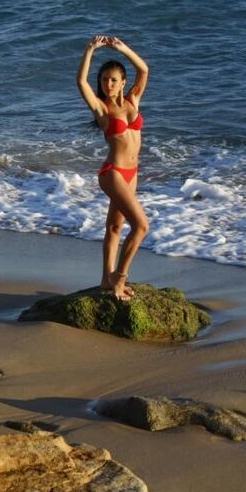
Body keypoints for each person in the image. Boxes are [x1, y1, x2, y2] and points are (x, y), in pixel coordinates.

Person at [76, 35, 150, 301]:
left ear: (122, 82)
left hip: (132, 173)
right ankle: (119, 279)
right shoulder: (102, 109)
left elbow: (144, 69)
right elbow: (81, 82)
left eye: (113, 80)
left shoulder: (133, 100)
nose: (108, 84)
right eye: (104, 80)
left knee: (115, 228)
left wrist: (122, 48)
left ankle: (105, 279)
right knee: (141, 226)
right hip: (113, 172)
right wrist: (90, 50)